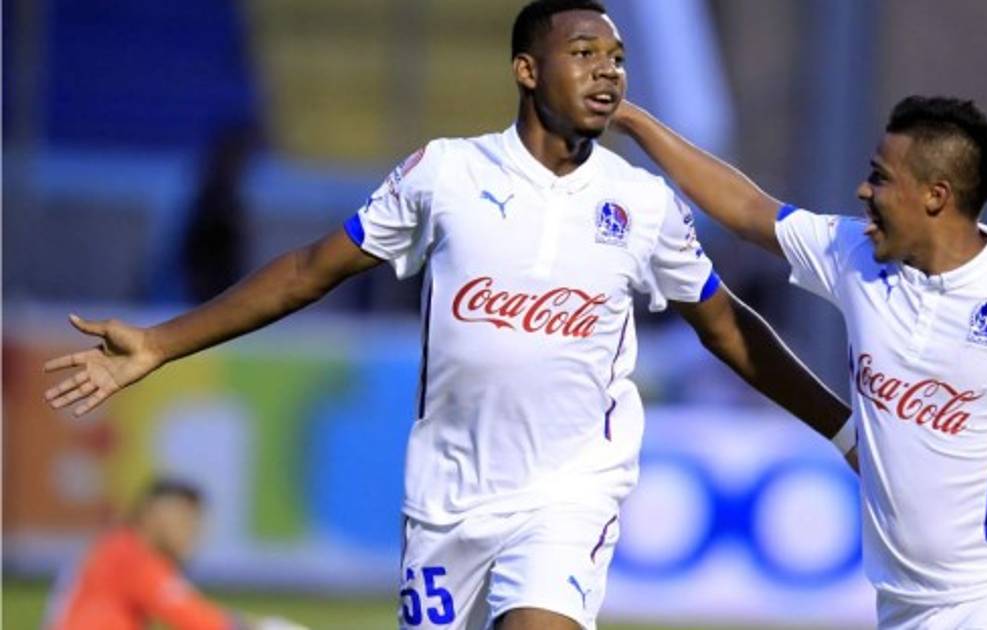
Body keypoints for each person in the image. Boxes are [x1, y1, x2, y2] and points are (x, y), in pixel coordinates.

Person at [42, 1, 852, 628]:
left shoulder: (640, 204)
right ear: (527, 70)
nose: (608, 71)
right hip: (448, 497)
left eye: (617, 57)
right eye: (584, 54)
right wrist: (160, 342)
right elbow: (308, 272)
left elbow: (724, 325)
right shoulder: (446, 175)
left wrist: (844, 430)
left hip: (569, 491)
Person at [611, 96, 987, 628]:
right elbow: (745, 209)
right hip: (905, 603)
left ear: (935, 195)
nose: (863, 191)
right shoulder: (855, 256)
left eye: (880, 177)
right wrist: (634, 121)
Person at [45, 478, 305, 630]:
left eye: (195, 523)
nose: (191, 532)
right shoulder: (133, 557)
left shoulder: (118, 546)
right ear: (151, 515)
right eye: (184, 520)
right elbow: (196, 618)